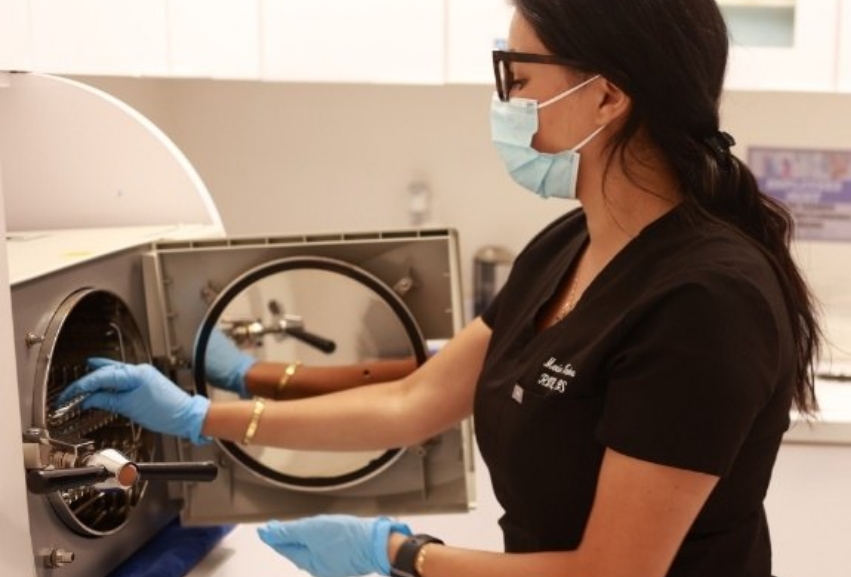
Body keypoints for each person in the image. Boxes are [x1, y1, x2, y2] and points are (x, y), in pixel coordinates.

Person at [57, 1, 821, 576]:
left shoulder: (705, 302)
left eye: (518, 78)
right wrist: (202, 417)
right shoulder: (571, 244)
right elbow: (414, 402)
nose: (504, 101)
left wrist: (403, 553)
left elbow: (612, 572)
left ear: (606, 96)